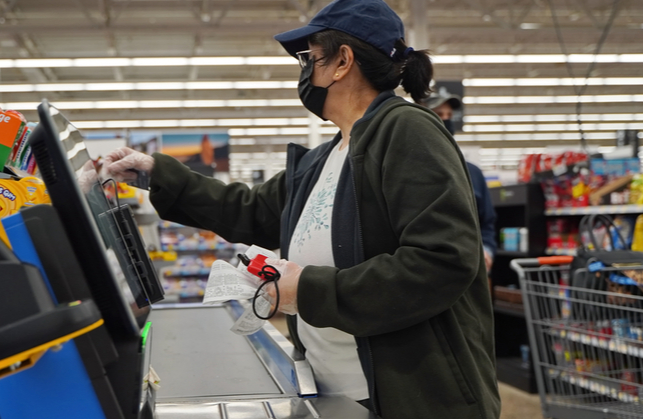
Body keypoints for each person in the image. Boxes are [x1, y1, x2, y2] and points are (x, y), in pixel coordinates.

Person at [100, 0, 500, 417]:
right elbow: (248, 210)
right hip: (337, 389)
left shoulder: (406, 130)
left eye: (309, 58)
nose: (305, 71)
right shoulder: (322, 160)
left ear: (343, 61)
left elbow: (441, 262)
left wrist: (304, 289)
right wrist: (156, 174)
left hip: (410, 398)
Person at [421, 92, 498, 269]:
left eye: (450, 116)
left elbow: (486, 221)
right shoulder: (407, 168)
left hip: (468, 267)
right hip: (425, 270)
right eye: (439, 115)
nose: (446, 121)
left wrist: (487, 250)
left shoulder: (473, 173)